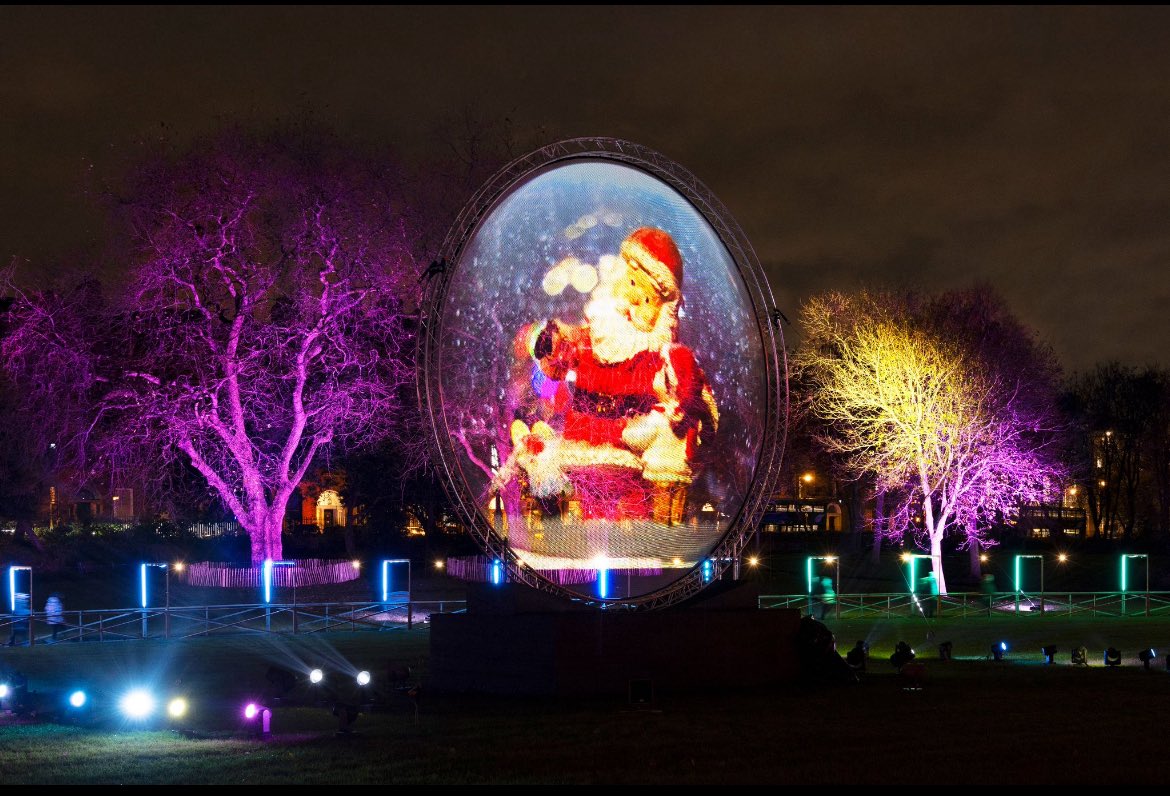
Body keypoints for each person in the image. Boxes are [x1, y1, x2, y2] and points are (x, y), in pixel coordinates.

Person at [530, 227, 718, 524]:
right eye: (629, 284)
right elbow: (560, 362)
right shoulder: (595, 337)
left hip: (635, 447)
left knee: (635, 514)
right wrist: (551, 347)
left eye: (645, 299)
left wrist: (680, 413)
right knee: (592, 511)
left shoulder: (658, 355)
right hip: (587, 437)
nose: (632, 304)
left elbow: (693, 396)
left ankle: (642, 556)